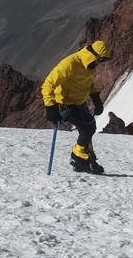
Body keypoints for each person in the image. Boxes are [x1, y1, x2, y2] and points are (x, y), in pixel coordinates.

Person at [42, 40, 112, 173]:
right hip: (65, 104)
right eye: (101, 60)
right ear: (94, 55)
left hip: (78, 103)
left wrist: (96, 98)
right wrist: (51, 107)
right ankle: (78, 157)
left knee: (88, 128)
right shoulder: (70, 64)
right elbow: (48, 84)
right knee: (88, 128)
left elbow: (88, 83)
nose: (100, 64)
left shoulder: (90, 66)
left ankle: (86, 158)